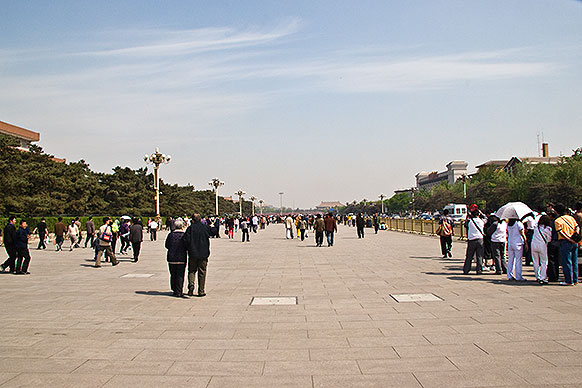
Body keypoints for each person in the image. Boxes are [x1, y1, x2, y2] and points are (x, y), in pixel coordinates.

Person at [184, 214, 212, 297]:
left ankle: (191, 284)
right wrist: (212, 225)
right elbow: (213, 232)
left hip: (193, 253)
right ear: (200, 220)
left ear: (192, 220)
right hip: (203, 253)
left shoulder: (190, 228)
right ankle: (201, 290)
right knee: (202, 272)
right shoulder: (205, 227)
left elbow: (186, 240)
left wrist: (188, 248)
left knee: (192, 271)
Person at [554, 203, 580, 286]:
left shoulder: (558, 221)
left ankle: (569, 280)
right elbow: (577, 227)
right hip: (574, 241)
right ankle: (575, 279)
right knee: (574, 261)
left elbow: (561, 232)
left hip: (565, 242)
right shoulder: (571, 218)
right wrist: (575, 236)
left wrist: (569, 239)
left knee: (566, 261)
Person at [165, 218, 187, 297]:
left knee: (173, 274)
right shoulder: (184, 235)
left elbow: (167, 245)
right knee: (180, 275)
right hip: (181, 258)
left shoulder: (171, 235)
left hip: (172, 257)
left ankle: (174, 288)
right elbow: (186, 246)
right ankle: (179, 290)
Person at [463, 205, 485, 275]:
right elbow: (485, 218)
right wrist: (481, 213)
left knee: (469, 256)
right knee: (479, 256)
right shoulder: (482, 221)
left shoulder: (469, 221)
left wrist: (468, 216)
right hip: (480, 239)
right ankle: (479, 270)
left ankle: (466, 269)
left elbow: (465, 225)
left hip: (472, 240)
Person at [531, 215, 552, 284]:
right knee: (544, 262)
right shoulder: (548, 229)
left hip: (534, 244)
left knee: (535, 261)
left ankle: (537, 276)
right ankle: (542, 277)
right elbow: (549, 239)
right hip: (542, 245)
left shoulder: (536, 227)